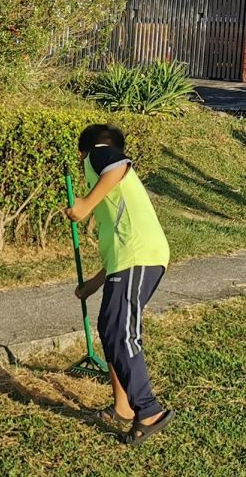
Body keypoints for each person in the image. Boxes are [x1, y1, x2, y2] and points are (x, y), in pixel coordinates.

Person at [66, 124, 175, 446]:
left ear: (82, 151)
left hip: (139, 257)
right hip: (128, 260)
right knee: (110, 327)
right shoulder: (107, 179)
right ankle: (123, 407)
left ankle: (149, 410)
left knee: (121, 331)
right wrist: (95, 283)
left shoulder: (99, 154)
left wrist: (84, 205)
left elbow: (118, 165)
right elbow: (119, 239)